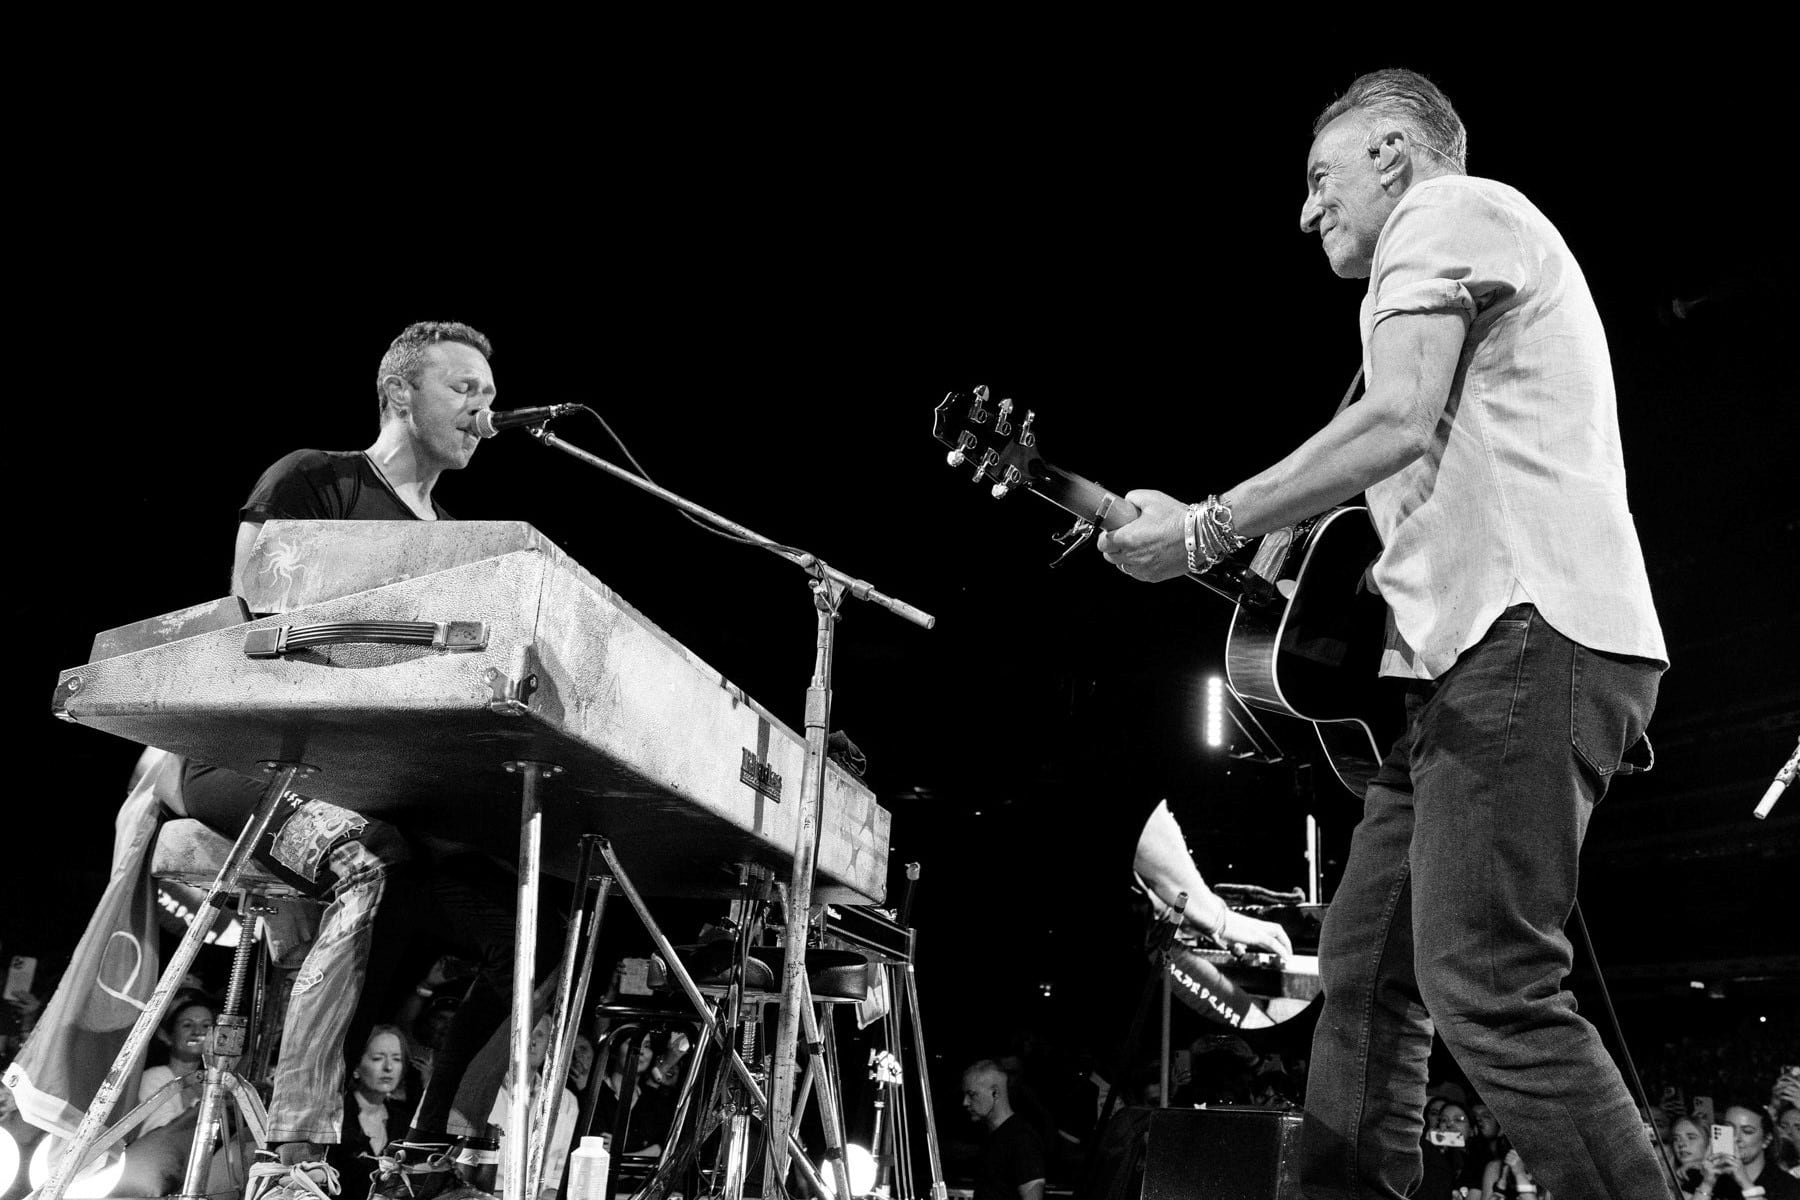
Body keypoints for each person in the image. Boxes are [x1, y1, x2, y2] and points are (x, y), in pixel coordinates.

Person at [1096, 68, 1671, 1198]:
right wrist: (1234, 528)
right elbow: (1377, 444)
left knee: (1487, 981)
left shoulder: (1445, 212)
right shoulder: (1447, 267)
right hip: (1460, 673)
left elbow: (1397, 417)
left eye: (1321, 179)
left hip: (1527, 636)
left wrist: (1210, 527)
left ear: (1396, 152)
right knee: (1363, 978)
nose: (1309, 212)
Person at [179, 320, 519, 1200]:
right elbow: (254, 612)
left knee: (511, 903)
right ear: (400, 392)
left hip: (365, 783)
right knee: (369, 857)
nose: (486, 412)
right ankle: (289, 1157)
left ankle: (408, 1146)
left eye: (489, 395)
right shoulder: (315, 478)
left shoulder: (454, 541)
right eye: (465, 390)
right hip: (253, 760)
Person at [327, 1026, 413, 1182]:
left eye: (397, 1059)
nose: (388, 1067)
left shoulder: (405, 1123)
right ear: (356, 1067)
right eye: (377, 1058)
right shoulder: (334, 1116)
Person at [961, 1059, 1046, 1200]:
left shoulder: (1021, 1138)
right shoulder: (991, 1136)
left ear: (995, 1093)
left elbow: (1033, 1194)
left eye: (972, 1095)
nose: (965, 1102)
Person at [136, 995, 215, 1135]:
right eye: (187, 1025)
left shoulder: (209, 1084)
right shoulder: (154, 1078)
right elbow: (159, 1132)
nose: (198, 1032)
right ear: (167, 1036)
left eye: (206, 1026)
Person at [1698, 1103, 1800, 1199]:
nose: (1736, 1137)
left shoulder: (1786, 1185)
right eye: (1729, 1129)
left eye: (1747, 1131)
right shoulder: (1709, 1176)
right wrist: (1707, 1183)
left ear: (1766, 1140)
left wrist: (1745, 1182)